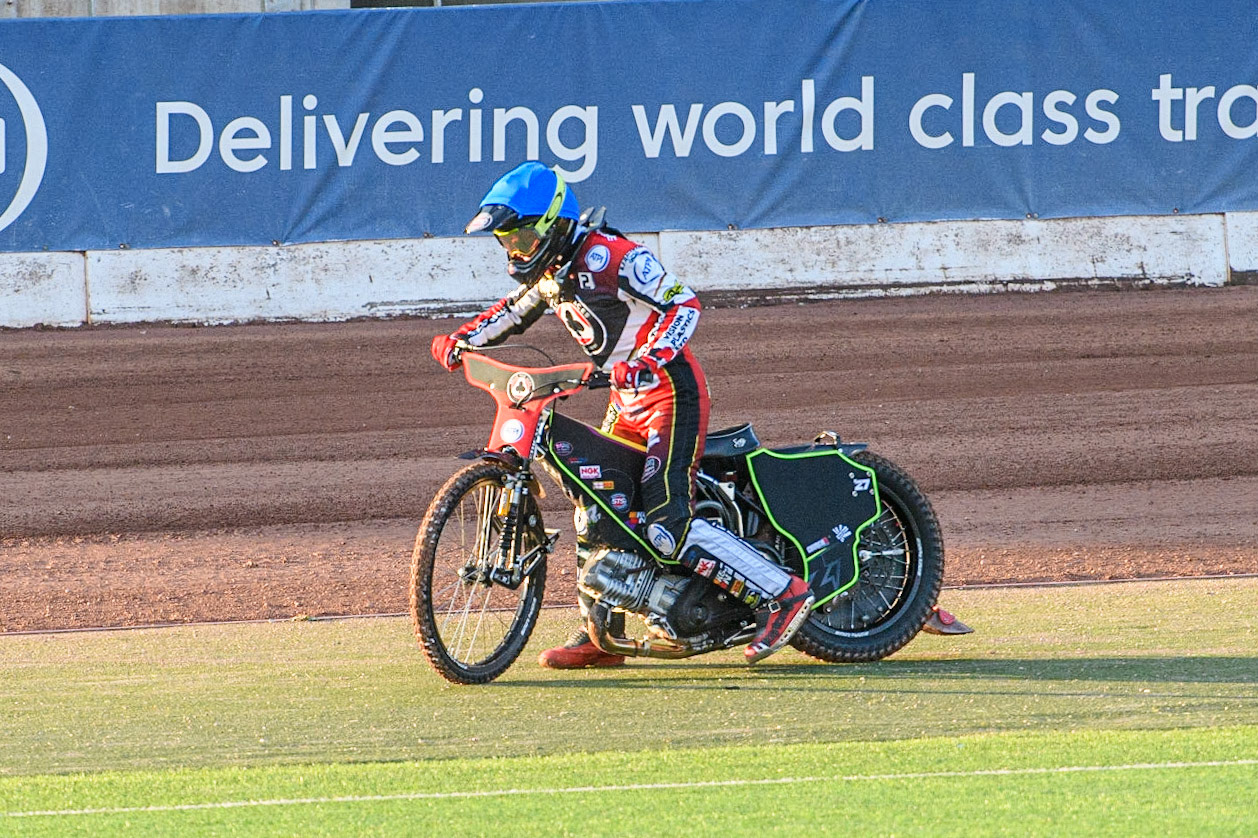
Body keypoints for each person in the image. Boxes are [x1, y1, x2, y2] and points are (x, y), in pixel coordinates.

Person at [430, 161, 814, 667]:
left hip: (670, 395)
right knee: (597, 509)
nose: (515, 250)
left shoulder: (612, 256)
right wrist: (461, 340)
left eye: (520, 236)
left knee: (665, 524)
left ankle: (785, 594)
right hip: (626, 402)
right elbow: (511, 311)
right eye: (507, 241)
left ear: (551, 224)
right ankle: (601, 634)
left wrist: (649, 360)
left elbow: (684, 304)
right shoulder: (550, 274)